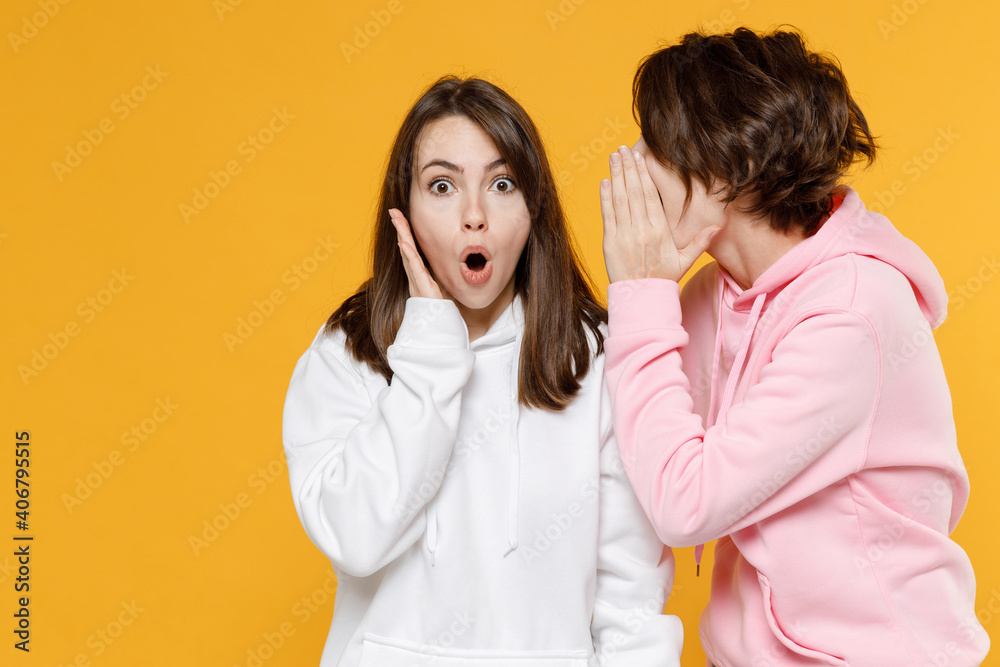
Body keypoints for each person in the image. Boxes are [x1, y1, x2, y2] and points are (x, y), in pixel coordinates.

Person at [598, 27, 990, 666]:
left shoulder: (852, 312)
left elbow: (684, 502)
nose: (631, 162)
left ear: (730, 170)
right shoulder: (713, 294)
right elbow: (623, 423)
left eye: (658, 145)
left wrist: (641, 290)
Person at [282, 75, 683, 667]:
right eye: (442, 186)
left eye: (501, 184)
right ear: (404, 212)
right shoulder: (350, 349)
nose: (474, 215)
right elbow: (356, 537)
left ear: (533, 207)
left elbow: (632, 603)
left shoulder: (594, 355)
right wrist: (428, 355)